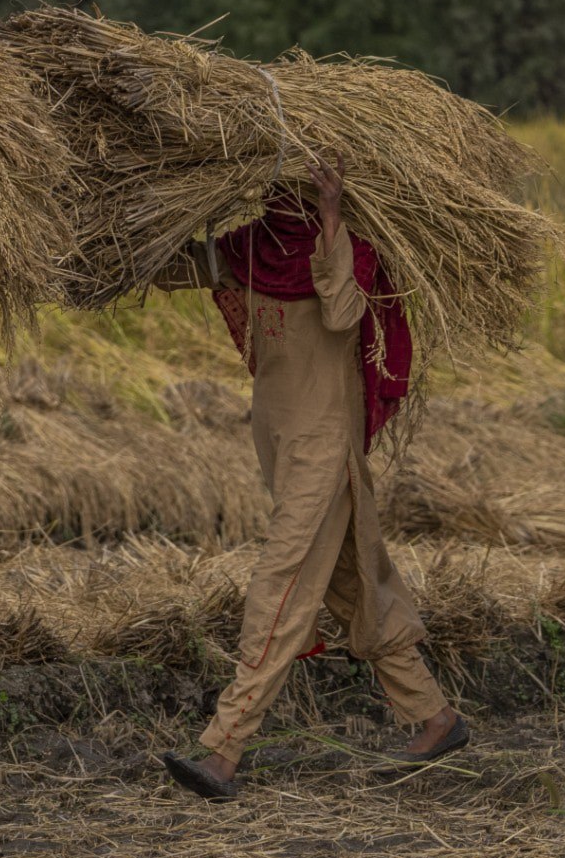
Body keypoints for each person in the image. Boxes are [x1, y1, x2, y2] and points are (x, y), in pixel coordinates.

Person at [154, 151, 468, 800]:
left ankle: (223, 748)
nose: (283, 196)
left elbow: (344, 312)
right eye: (280, 184)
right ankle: (434, 717)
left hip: (324, 453)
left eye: (298, 187)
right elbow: (179, 263)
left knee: (283, 584)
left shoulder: (344, 249)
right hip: (282, 444)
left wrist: (330, 216)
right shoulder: (251, 248)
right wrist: (122, 236)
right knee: (349, 585)